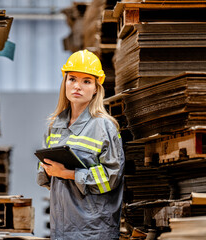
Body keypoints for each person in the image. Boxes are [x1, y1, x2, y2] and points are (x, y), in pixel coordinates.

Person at [37, 49, 125, 240]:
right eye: (72, 79)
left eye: (86, 81)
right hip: (61, 226)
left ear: (96, 88)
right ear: (65, 83)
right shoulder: (55, 126)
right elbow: (45, 176)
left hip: (94, 229)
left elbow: (112, 177)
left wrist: (67, 173)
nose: (77, 86)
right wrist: (48, 169)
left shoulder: (104, 126)